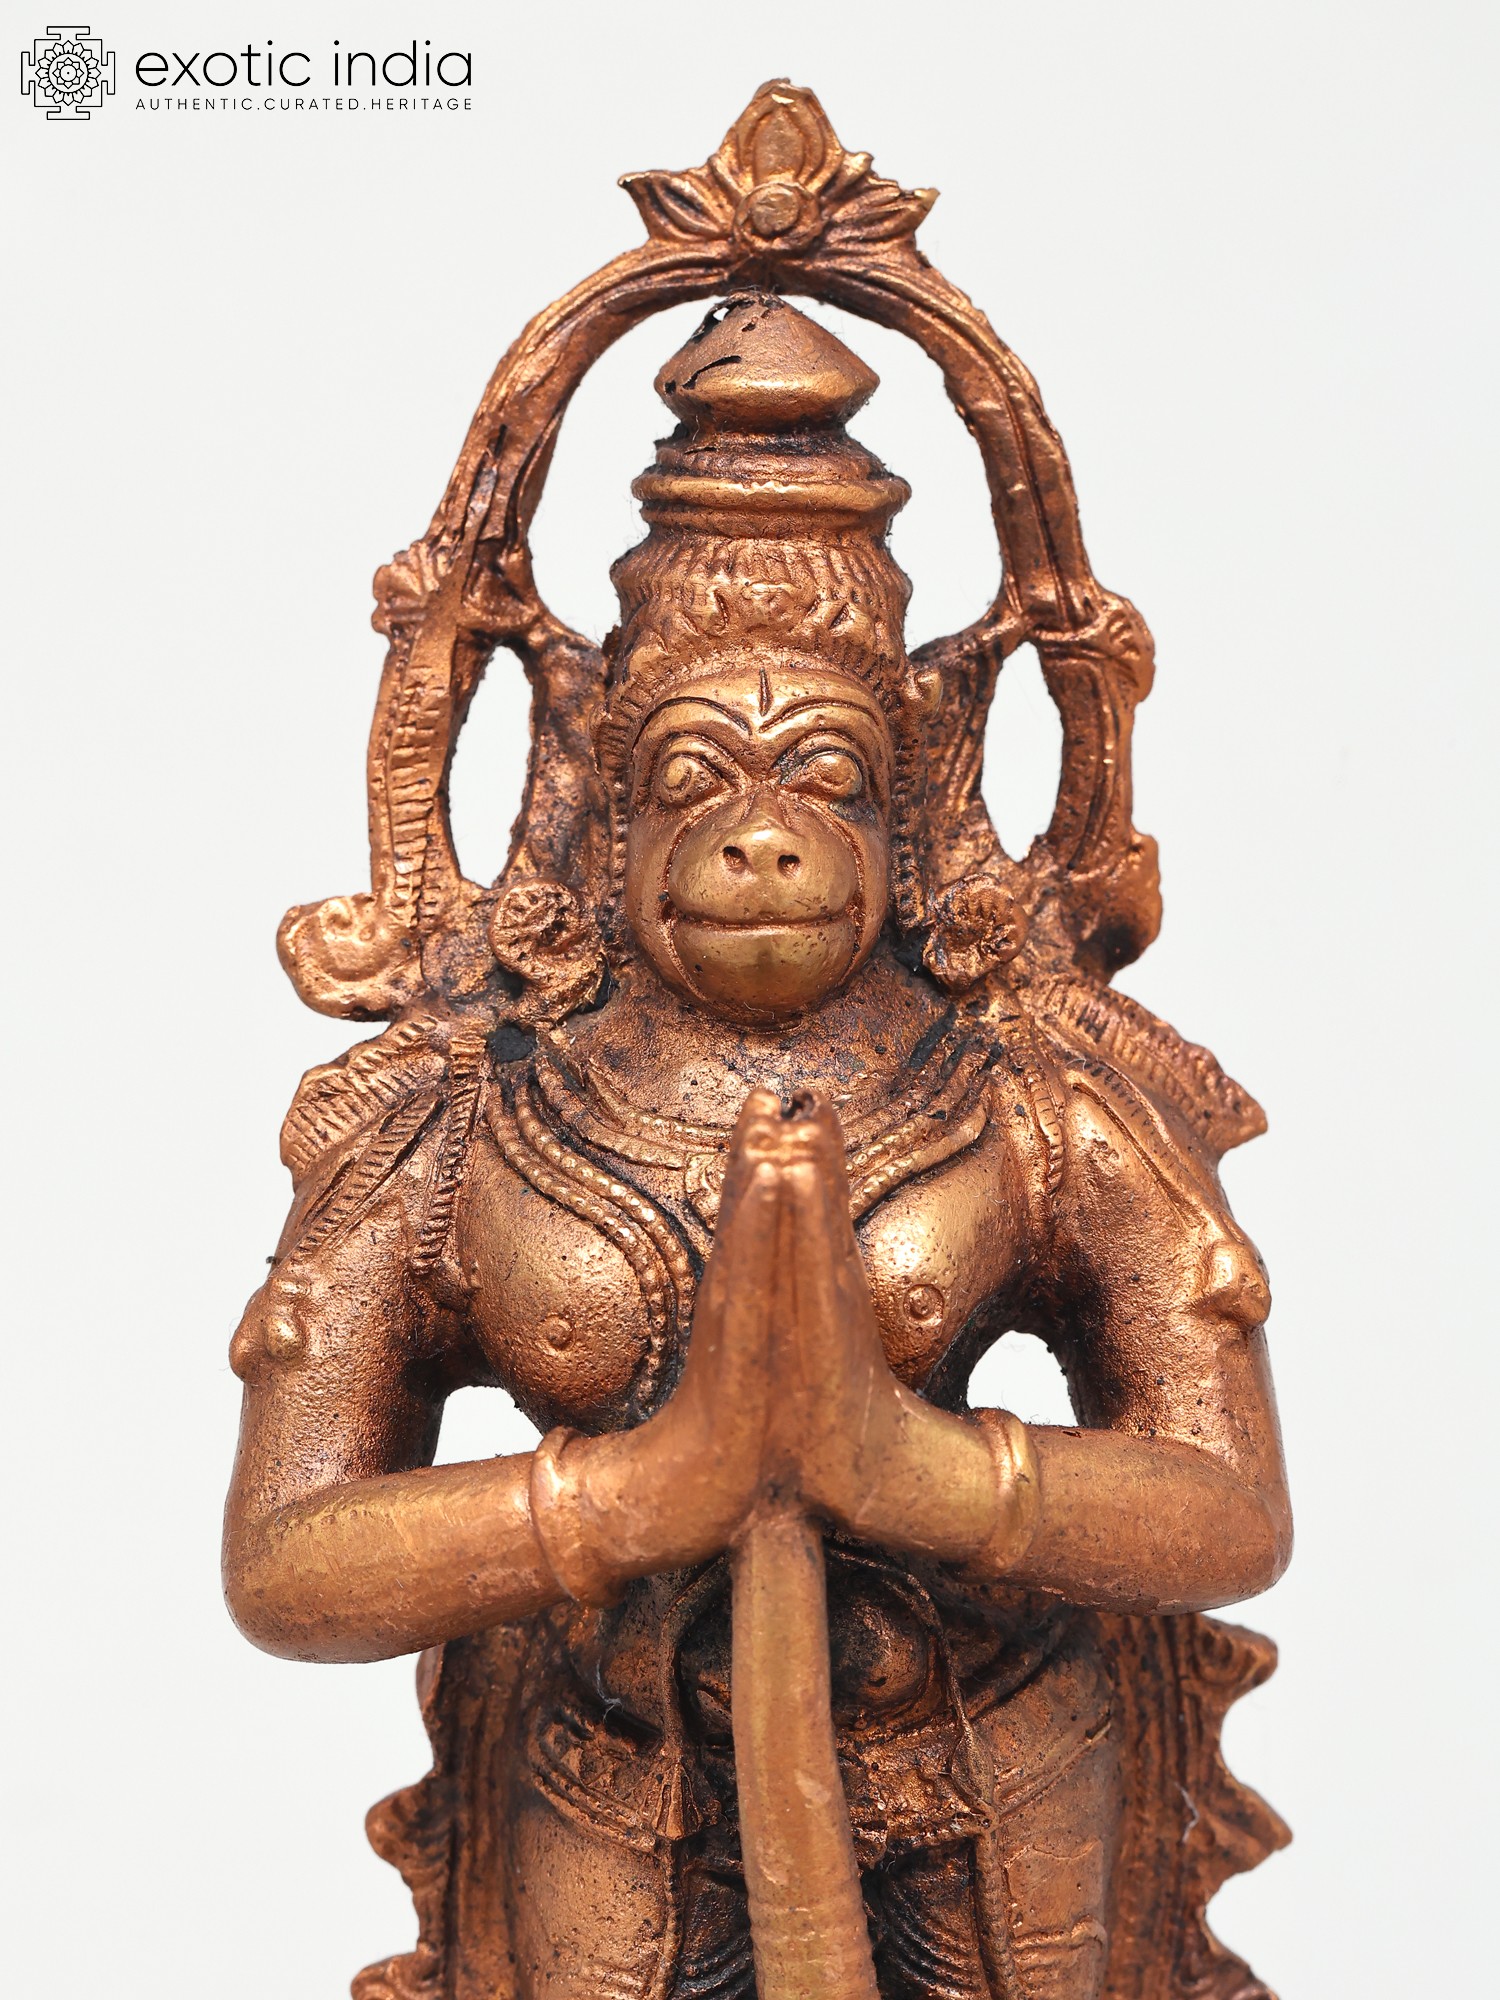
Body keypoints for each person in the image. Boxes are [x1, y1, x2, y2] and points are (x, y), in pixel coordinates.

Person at [225, 296, 1290, 2000]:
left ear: (912, 815)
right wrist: (656, 1488)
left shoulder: (1035, 1098)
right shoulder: (461, 1121)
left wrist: (906, 1469)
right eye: (693, 776)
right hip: (607, 1773)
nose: (764, 839)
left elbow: (1228, 1506)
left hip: (994, 1770)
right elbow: (289, 1559)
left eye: (830, 778)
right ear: (598, 813)